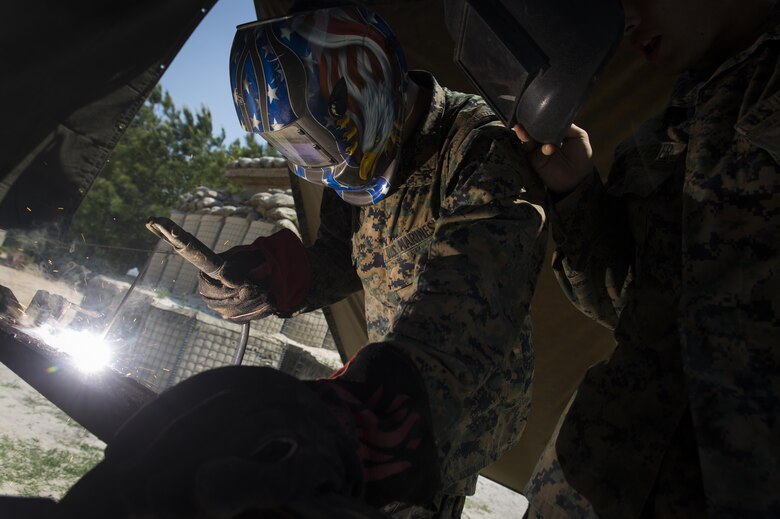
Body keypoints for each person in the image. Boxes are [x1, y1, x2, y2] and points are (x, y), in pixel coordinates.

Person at [56, 3, 546, 519]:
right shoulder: (356, 158)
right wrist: (275, 279)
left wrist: (358, 418)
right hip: (385, 392)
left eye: (312, 144)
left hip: (449, 406)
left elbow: (466, 306)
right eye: (297, 150)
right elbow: (341, 256)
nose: (313, 167)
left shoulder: (482, 147)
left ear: (361, 89)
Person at [515, 0, 780, 517]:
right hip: (583, 485)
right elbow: (628, 302)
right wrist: (575, 192)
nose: (626, 19)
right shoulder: (665, 127)